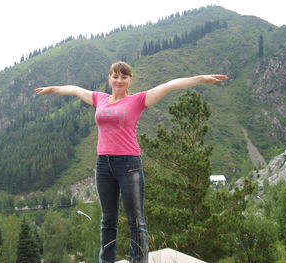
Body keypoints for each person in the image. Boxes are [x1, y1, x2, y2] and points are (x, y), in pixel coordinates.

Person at [35, 61, 228, 263]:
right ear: (109, 78)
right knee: (108, 219)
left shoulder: (138, 100)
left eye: (124, 77)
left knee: (136, 220)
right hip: (103, 165)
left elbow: (170, 85)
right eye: (115, 76)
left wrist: (201, 79)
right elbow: (75, 89)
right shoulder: (99, 99)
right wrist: (53, 89)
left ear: (130, 80)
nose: (119, 80)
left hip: (129, 164)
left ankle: (137, 260)